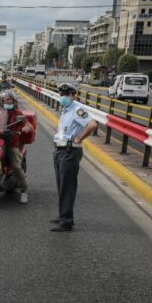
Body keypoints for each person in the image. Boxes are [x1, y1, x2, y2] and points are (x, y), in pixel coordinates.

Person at [51, 83, 98, 232]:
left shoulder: (77, 110)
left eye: (67, 94)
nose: (63, 97)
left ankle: (66, 221)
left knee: (67, 187)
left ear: (73, 95)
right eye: (62, 94)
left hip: (70, 152)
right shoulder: (65, 110)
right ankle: (63, 215)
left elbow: (92, 125)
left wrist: (79, 138)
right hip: (60, 151)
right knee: (61, 186)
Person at [0, 90, 33, 204]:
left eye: (9, 99)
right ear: (2, 101)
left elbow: (28, 125)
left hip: (12, 144)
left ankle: (24, 190)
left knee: (16, 167)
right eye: (5, 100)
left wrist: (26, 128)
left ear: (13, 101)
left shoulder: (18, 113)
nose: (7, 101)